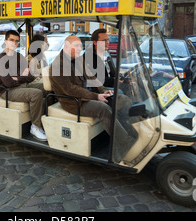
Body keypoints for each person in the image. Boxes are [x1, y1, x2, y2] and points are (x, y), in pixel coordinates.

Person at [50, 35, 137, 163]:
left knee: (123, 99)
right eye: (77, 46)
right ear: (67, 46)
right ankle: (126, 144)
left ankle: (134, 132)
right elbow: (70, 90)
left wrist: (102, 90)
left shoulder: (78, 59)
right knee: (103, 108)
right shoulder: (58, 65)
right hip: (74, 102)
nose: (80, 49)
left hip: (89, 95)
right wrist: (96, 96)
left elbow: (91, 77)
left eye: (81, 46)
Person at [0, 30, 48, 141]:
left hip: (22, 85)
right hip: (7, 90)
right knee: (36, 94)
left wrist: (17, 77)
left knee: (47, 87)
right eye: (11, 40)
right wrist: (22, 76)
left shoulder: (19, 56)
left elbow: (31, 76)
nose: (14, 43)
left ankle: (47, 121)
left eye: (16, 41)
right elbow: (8, 82)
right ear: (5, 41)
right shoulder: (1, 60)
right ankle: (35, 127)